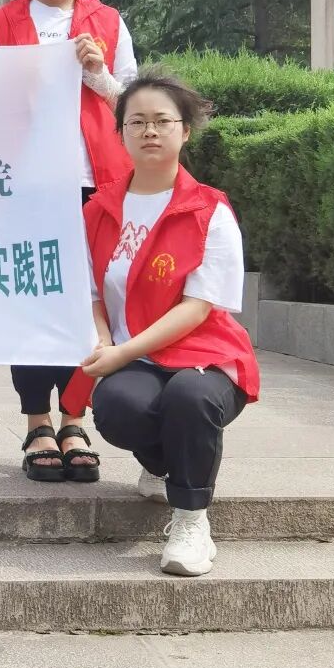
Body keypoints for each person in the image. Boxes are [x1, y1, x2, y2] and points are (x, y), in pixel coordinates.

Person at [76, 72, 259, 576]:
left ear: (185, 131)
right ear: (121, 134)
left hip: (205, 355)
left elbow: (197, 308)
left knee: (189, 397)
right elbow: (91, 292)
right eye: (136, 122)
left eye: (163, 121)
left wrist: (122, 352)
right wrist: (104, 339)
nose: (150, 131)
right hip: (135, 355)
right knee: (117, 407)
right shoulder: (99, 209)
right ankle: (161, 464)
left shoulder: (209, 210)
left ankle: (192, 519)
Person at [0, 0, 136, 483]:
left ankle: (74, 418)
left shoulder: (109, 22)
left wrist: (98, 74)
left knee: (88, 302)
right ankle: (37, 421)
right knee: (32, 297)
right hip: (27, 186)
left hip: (97, 184)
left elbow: (133, 105)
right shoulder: (1, 23)